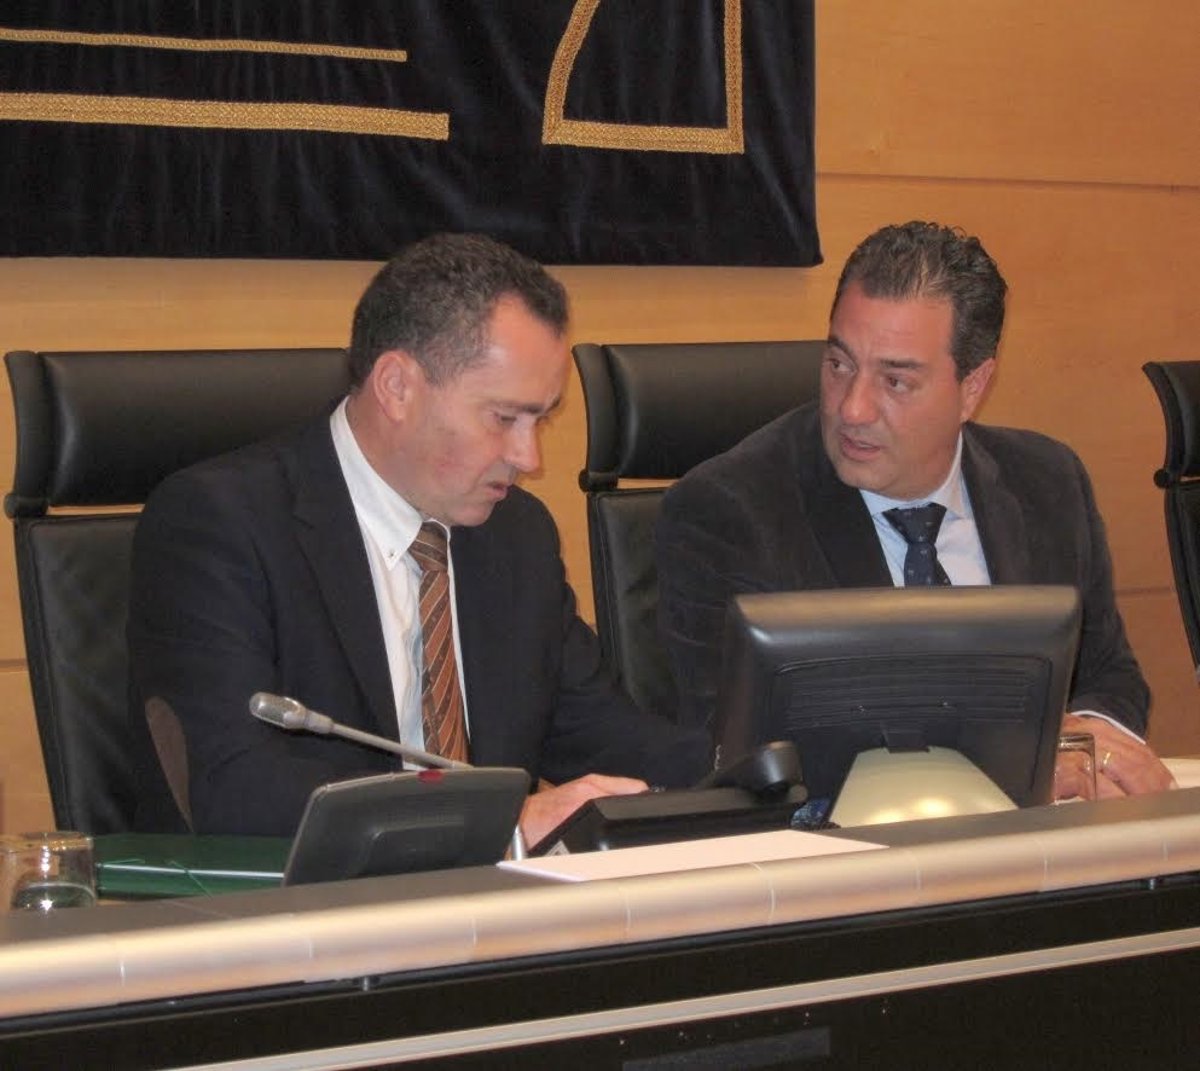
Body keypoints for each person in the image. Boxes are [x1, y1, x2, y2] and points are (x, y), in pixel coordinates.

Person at [128, 232, 709, 847]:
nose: (528, 457)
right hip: (289, 900)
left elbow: (607, 736)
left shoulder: (517, 535)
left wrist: (755, 775)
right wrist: (502, 824)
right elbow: (233, 789)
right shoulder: (220, 524)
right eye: (504, 418)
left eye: (541, 419)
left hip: (486, 904)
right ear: (397, 387)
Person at [656, 221, 1174, 800]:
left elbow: (1107, 675)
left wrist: (1087, 747)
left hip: (1040, 839)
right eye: (839, 365)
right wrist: (1015, 769)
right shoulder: (731, 511)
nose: (853, 409)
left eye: (896, 381)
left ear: (973, 387)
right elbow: (733, 755)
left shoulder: (1047, 481)